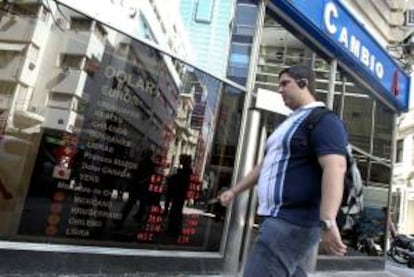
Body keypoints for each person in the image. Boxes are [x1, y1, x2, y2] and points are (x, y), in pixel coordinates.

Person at [220, 64, 348, 276]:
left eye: (285, 83)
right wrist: (235, 191)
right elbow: (266, 165)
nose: (280, 89)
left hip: (291, 221)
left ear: (303, 83)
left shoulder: (323, 119)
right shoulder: (290, 122)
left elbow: (336, 166)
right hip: (278, 219)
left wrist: (328, 221)